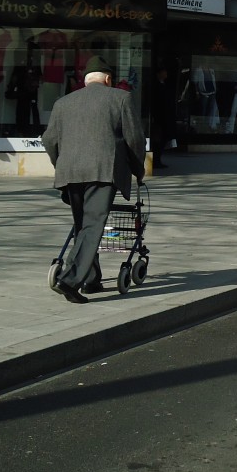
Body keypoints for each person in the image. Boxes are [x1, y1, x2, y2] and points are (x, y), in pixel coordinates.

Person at [42, 55, 146, 304]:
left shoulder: (63, 102)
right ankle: (70, 280)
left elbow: (49, 140)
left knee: (83, 226)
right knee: (93, 225)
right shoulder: (121, 98)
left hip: (70, 172)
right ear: (108, 79)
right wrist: (137, 170)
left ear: (86, 80)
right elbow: (134, 140)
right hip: (102, 170)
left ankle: (91, 279)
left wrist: (61, 163)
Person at [150, 65, 176, 169]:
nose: (166, 74)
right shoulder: (156, 86)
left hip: (165, 117)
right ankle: (156, 160)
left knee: (162, 139)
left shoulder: (164, 85)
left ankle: (158, 159)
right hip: (159, 117)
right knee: (158, 140)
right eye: (163, 72)